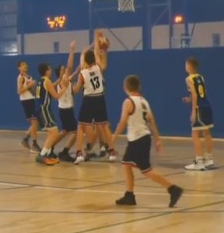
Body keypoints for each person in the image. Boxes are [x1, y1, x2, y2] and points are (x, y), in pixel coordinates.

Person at [112, 75, 183, 207]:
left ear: (125, 87)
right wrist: (157, 139)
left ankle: (172, 189)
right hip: (143, 137)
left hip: (138, 138)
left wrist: (113, 137)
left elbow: (122, 122)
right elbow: (151, 121)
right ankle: (129, 195)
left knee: (145, 170)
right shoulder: (144, 101)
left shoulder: (128, 102)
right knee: (126, 164)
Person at [71, 31, 118, 164]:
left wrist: (72, 86)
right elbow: (97, 53)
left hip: (89, 100)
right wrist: (97, 41)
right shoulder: (98, 68)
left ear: (85, 60)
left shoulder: (83, 73)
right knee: (104, 126)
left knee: (81, 126)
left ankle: (79, 153)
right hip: (100, 99)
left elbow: (76, 90)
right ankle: (112, 152)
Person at [182, 57, 215, 171]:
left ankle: (199, 161)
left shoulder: (189, 79)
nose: (185, 66)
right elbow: (201, 94)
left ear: (190, 66)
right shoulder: (200, 77)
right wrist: (189, 99)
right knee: (207, 132)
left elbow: (195, 95)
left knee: (195, 134)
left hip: (199, 108)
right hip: (207, 105)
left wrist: (193, 111)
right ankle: (209, 159)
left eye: (186, 64)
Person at [34, 62, 69, 165]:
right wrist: (64, 89)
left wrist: (60, 77)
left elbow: (51, 86)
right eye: (49, 69)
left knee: (52, 132)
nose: (51, 70)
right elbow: (56, 96)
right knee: (54, 132)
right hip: (44, 109)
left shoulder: (42, 81)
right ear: (46, 71)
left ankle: (47, 154)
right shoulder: (47, 81)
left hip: (41, 108)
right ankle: (42, 155)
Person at [53, 42, 79, 162]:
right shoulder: (63, 80)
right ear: (60, 73)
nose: (66, 70)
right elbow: (70, 65)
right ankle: (64, 152)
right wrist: (72, 50)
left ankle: (49, 147)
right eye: (63, 70)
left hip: (64, 109)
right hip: (66, 110)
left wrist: (76, 72)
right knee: (76, 132)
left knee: (64, 131)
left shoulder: (63, 80)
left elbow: (70, 73)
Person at [17, 61, 41, 152]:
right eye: (22, 65)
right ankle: (34, 144)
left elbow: (32, 90)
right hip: (26, 101)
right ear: (19, 68)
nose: (25, 66)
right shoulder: (20, 78)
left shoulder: (29, 77)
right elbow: (19, 91)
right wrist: (30, 85)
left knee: (36, 122)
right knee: (34, 122)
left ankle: (26, 138)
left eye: (26, 65)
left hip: (31, 99)